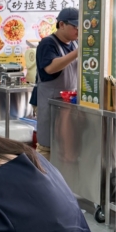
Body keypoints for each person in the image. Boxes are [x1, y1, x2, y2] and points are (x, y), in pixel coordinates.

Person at [34, 8, 79, 155]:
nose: (78, 31)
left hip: (67, 104)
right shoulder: (47, 43)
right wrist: (77, 53)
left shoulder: (75, 44)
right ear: (61, 24)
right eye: (75, 26)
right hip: (48, 102)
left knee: (63, 147)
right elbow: (51, 68)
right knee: (47, 146)